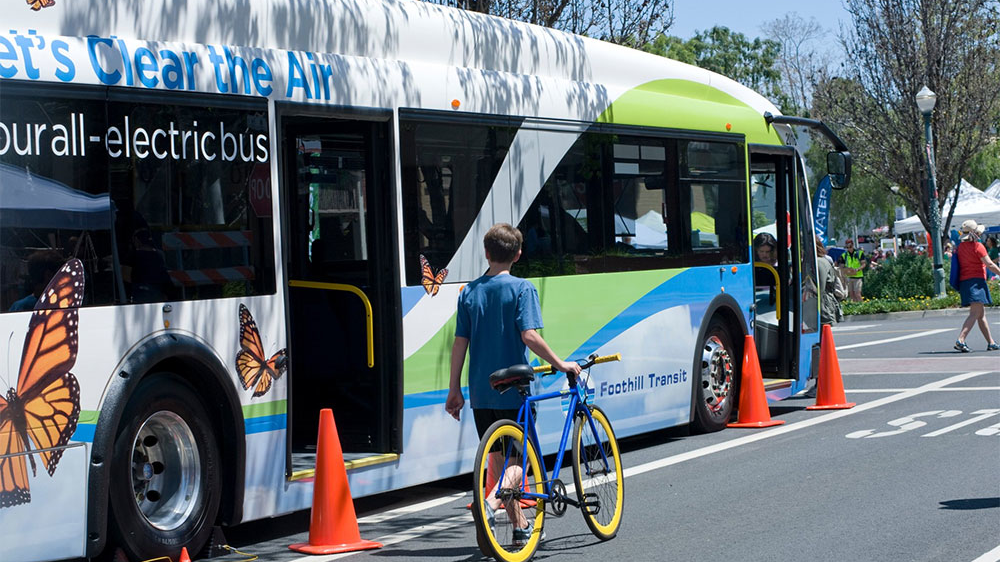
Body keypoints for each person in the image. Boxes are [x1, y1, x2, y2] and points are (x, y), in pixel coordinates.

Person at [445, 223, 581, 543]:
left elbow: (460, 343)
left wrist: (455, 389)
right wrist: (560, 364)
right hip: (513, 388)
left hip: (481, 390)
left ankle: (520, 528)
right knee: (521, 460)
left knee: (499, 459)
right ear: (518, 254)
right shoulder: (522, 289)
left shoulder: (469, 292)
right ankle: (489, 505)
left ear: (486, 253)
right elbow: (529, 335)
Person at [953, 220, 1000, 352]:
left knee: (981, 314)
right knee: (975, 313)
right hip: (976, 282)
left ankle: (991, 342)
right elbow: (989, 264)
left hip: (965, 281)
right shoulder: (978, 246)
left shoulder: (960, 248)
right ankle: (960, 340)